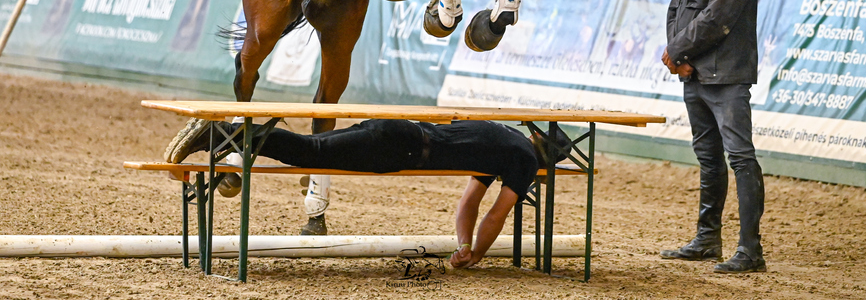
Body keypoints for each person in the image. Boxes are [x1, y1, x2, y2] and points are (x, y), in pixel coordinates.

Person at [169, 115, 570, 269]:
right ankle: (227, 133)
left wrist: (463, 243)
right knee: (310, 152)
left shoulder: (505, 137)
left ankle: (231, 137)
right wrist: (477, 252)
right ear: (546, 162)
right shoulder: (522, 163)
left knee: (314, 151)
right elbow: (495, 214)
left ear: (535, 134)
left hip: (398, 130)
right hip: (399, 150)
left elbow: (470, 202)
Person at [660, 0, 765, 274]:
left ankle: (750, 250)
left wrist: (677, 51)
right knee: (709, 158)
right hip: (697, 71)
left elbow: (718, 15)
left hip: (726, 75)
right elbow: (678, 9)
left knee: (739, 156)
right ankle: (708, 239)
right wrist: (678, 54)